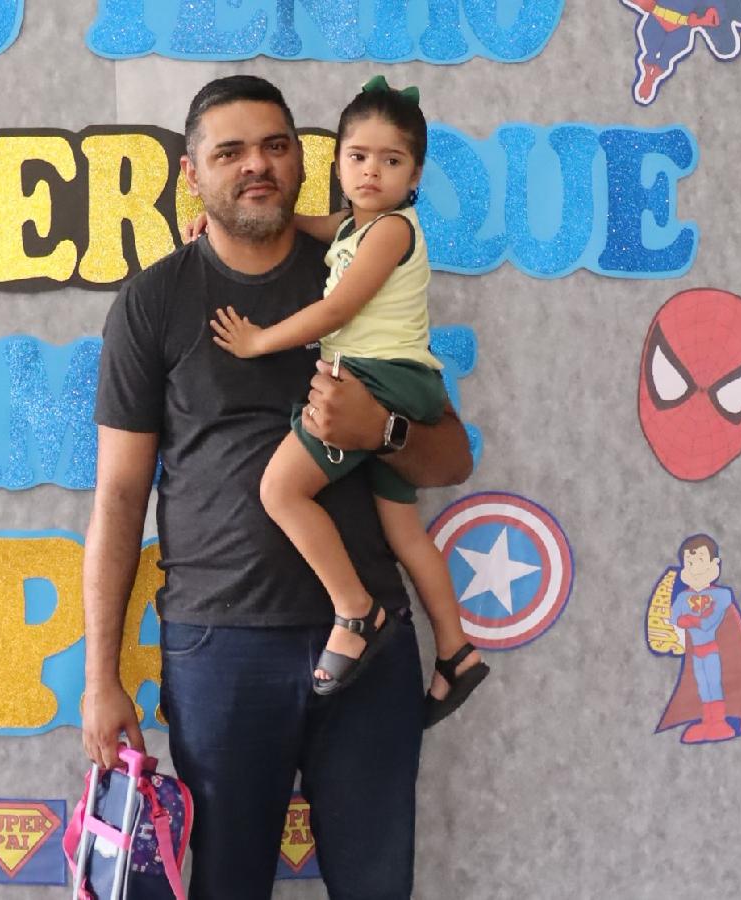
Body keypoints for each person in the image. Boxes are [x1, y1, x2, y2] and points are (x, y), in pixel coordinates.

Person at [81, 75, 474, 899]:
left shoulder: (360, 268)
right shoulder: (154, 302)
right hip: (220, 646)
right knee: (227, 884)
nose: (256, 165)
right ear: (193, 174)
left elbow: (451, 460)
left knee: (377, 888)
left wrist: (381, 431)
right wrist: (100, 676)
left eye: (275, 146)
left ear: (304, 161)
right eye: (230, 152)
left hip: (370, 646)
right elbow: (119, 496)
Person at [198, 76, 488, 721]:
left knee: (281, 491)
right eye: (358, 157)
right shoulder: (356, 226)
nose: (371, 171)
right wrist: (219, 217)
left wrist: (259, 340)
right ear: (337, 163)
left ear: (415, 175)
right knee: (404, 531)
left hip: (377, 380)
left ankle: (355, 610)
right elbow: (311, 224)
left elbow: (337, 309)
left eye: (391, 160)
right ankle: (457, 652)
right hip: (404, 378)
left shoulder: (389, 233)